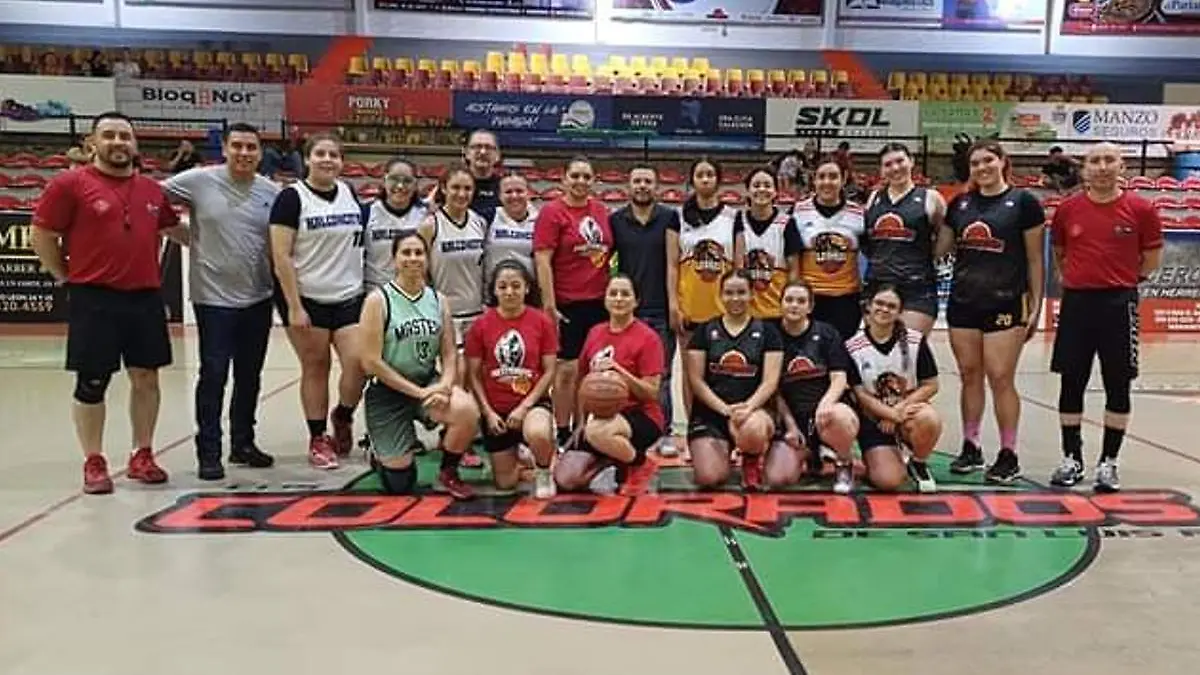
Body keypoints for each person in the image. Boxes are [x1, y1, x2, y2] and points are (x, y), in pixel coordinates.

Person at [30, 111, 190, 494]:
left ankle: (142, 453)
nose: (118, 142)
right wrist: (65, 276)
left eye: (125, 136)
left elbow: (174, 230)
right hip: (94, 298)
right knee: (92, 381)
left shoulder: (151, 190)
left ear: (135, 145)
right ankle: (94, 460)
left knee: (147, 378)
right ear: (92, 143)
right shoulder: (70, 184)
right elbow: (42, 234)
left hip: (145, 297)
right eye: (109, 135)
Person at [164, 122, 280, 480]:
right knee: (213, 374)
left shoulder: (272, 191)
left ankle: (243, 443)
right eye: (237, 146)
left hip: (258, 297)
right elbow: (150, 201)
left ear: (260, 153)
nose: (244, 153)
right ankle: (209, 451)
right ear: (225, 149)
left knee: (249, 376)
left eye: (251, 147)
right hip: (213, 300)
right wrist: (187, 237)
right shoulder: (197, 180)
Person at [1048, 142, 1163, 493]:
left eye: (1109, 160)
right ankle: (1072, 457)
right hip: (1077, 304)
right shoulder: (1068, 210)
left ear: (1121, 166)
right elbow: (1060, 253)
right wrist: (1083, 278)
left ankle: (1108, 461)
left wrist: (1121, 281)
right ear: (1084, 169)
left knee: (1118, 382)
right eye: (1094, 160)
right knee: (1071, 382)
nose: (1101, 166)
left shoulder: (1142, 209)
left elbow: (1151, 260)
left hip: (1119, 304)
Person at [943, 140, 1046, 483]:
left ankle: (1008, 453)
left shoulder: (1024, 203)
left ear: (1002, 162)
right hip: (963, 302)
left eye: (988, 160)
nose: (982, 167)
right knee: (969, 374)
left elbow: (1035, 259)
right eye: (975, 163)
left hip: (1005, 302)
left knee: (1000, 377)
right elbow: (940, 248)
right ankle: (971, 445)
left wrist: (1036, 305)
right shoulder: (960, 204)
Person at [269, 132, 366, 470]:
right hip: (308, 299)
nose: (327, 160)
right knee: (316, 366)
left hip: (349, 295)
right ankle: (317, 437)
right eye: (320, 154)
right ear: (307, 159)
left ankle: (344, 414)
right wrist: (295, 306)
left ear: (342, 161)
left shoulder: (349, 192)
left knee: (359, 362)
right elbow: (281, 255)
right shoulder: (291, 198)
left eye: (334, 155)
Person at [360, 232, 480, 499]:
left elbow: (449, 354)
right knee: (399, 484)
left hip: (426, 382)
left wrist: (445, 386)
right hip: (387, 392)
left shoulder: (438, 300)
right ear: (394, 259)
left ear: (427, 258)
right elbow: (370, 362)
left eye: (419, 253)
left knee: (467, 411)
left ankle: (448, 472)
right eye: (406, 253)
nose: (413, 258)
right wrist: (420, 393)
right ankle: (379, 451)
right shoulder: (378, 301)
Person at [554, 275, 665, 495]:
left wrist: (619, 371)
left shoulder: (648, 338)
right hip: (600, 416)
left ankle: (640, 463)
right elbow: (582, 382)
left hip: (640, 415)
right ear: (605, 300)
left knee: (597, 432)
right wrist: (580, 422)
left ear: (636, 301)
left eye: (625, 294)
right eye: (613, 294)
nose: (619, 299)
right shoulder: (595, 332)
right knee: (566, 479)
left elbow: (651, 393)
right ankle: (613, 459)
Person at [533, 155, 613, 448]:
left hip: (598, 302)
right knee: (566, 370)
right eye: (575, 176)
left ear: (594, 181)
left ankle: (584, 426)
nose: (581, 181)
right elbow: (542, 260)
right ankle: (563, 429)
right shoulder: (552, 212)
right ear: (563, 178)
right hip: (566, 303)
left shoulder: (601, 210)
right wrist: (549, 305)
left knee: (591, 370)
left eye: (586, 176)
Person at [465, 261, 558, 498]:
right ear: (494, 290)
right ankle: (524, 459)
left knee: (538, 432)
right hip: (497, 411)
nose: (509, 292)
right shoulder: (481, 325)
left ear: (527, 288)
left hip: (531, 404)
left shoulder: (541, 322)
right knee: (505, 484)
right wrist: (487, 413)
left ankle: (544, 470)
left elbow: (549, 371)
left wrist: (525, 406)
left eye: (516, 286)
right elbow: (473, 374)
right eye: (503, 286)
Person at [609, 165, 683, 455]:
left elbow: (673, 264)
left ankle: (664, 432)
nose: (642, 186)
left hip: (661, 309)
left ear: (657, 185)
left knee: (661, 375)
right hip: (628, 311)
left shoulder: (669, 217)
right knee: (627, 375)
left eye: (648, 181)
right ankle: (628, 428)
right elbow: (605, 263)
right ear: (629, 185)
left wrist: (674, 304)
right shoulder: (616, 220)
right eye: (637, 180)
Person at [686, 270, 782, 491]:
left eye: (741, 292)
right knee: (709, 478)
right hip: (713, 413)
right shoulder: (704, 331)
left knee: (753, 429)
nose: (735, 298)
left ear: (751, 294)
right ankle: (723, 451)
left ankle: (750, 458)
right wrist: (726, 410)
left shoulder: (768, 332)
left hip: (753, 411)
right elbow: (696, 381)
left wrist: (748, 407)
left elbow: (770, 381)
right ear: (721, 295)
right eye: (729, 293)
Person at [845, 285, 941, 493]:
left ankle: (918, 462)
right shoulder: (852, 347)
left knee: (929, 419)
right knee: (888, 481)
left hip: (906, 411)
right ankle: (882, 457)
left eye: (891, 306)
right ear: (869, 306)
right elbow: (860, 394)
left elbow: (931, 385)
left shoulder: (915, 341)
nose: (884, 309)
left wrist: (898, 411)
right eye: (879, 303)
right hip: (874, 419)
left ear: (899, 312)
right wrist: (887, 414)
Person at [770, 281, 860, 493]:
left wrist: (826, 404)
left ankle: (843, 462)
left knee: (840, 417)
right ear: (780, 304)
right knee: (777, 478)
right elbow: (773, 388)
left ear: (810, 307)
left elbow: (839, 378)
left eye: (801, 301)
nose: (794, 305)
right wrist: (790, 425)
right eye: (789, 300)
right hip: (795, 416)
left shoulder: (827, 333)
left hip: (825, 413)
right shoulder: (771, 337)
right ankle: (811, 452)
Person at [677, 157, 745, 433]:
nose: (705, 179)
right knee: (690, 374)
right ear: (692, 180)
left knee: (725, 372)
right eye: (700, 175)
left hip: (723, 309)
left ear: (718, 180)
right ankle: (693, 427)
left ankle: (727, 428)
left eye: (710, 174)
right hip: (690, 307)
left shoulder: (733, 217)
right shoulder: (678, 217)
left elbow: (739, 265)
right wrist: (675, 305)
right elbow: (671, 264)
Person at [863, 143, 950, 335]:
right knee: (879, 347)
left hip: (916, 287)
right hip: (878, 284)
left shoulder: (931, 198)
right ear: (881, 170)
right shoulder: (874, 198)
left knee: (910, 346)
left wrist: (929, 258)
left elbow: (946, 237)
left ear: (911, 161)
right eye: (888, 164)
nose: (895, 168)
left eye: (900, 161)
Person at [787, 157, 866, 340]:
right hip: (810, 298)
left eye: (833, 176)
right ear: (814, 180)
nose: (827, 182)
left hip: (846, 299)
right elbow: (791, 257)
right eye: (821, 177)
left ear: (843, 179)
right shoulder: (798, 211)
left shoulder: (859, 213)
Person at [418, 167, 488, 348]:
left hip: (477, 313)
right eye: (455, 187)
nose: (462, 194)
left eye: (467, 188)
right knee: (452, 365)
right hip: (445, 314)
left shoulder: (480, 222)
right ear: (443, 188)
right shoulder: (430, 225)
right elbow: (420, 274)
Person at [363, 157, 427, 290]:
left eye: (407, 181)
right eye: (394, 179)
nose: (400, 186)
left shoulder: (425, 215)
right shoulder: (367, 212)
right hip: (376, 291)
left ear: (415, 185)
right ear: (384, 181)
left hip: (413, 290)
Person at [739, 168, 791, 328]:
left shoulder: (787, 224)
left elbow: (795, 271)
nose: (762, 189)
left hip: (777, 312)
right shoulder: (737, 222)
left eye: (767, 185)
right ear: (747, 191)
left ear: (776, 192)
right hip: (744, 313)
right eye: (756, 185)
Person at [482, 173, 538, 278]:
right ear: (500, 196)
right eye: (508, 192)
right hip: (493, 286)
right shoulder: (488, 217)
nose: (514, 196)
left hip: (529, 286)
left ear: (529, 193)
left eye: (519, 191)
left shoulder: (539, 220)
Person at [464, 129, 501, 221]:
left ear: (497, 155)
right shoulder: (451, 185)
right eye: (477, 147)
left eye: (488, 147)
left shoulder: (506, 189)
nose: (483, 152)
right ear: (466, 153)